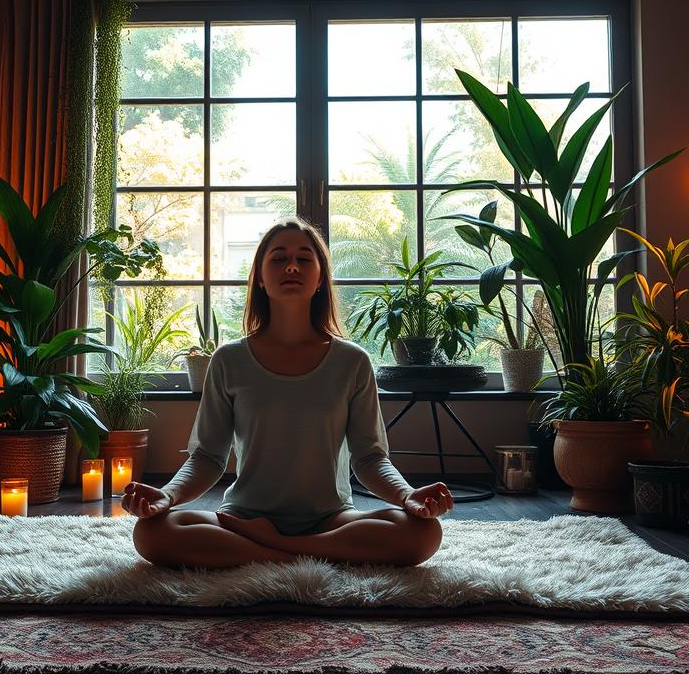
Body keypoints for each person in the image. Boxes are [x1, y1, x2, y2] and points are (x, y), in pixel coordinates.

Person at [123, 217, 452, 569]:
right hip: (244, 518)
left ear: (320, 277)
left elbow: (369, 457)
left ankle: (273, 549)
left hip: (330, 519)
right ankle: (305, 553)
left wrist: (407, 496)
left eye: (304, 259)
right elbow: (208, 457)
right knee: (151, 533)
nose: (292, 266)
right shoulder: (229, 359)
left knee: (423, 533)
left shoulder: (352, 361)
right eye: (278, 258)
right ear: (261, 278)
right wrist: (168, 495)